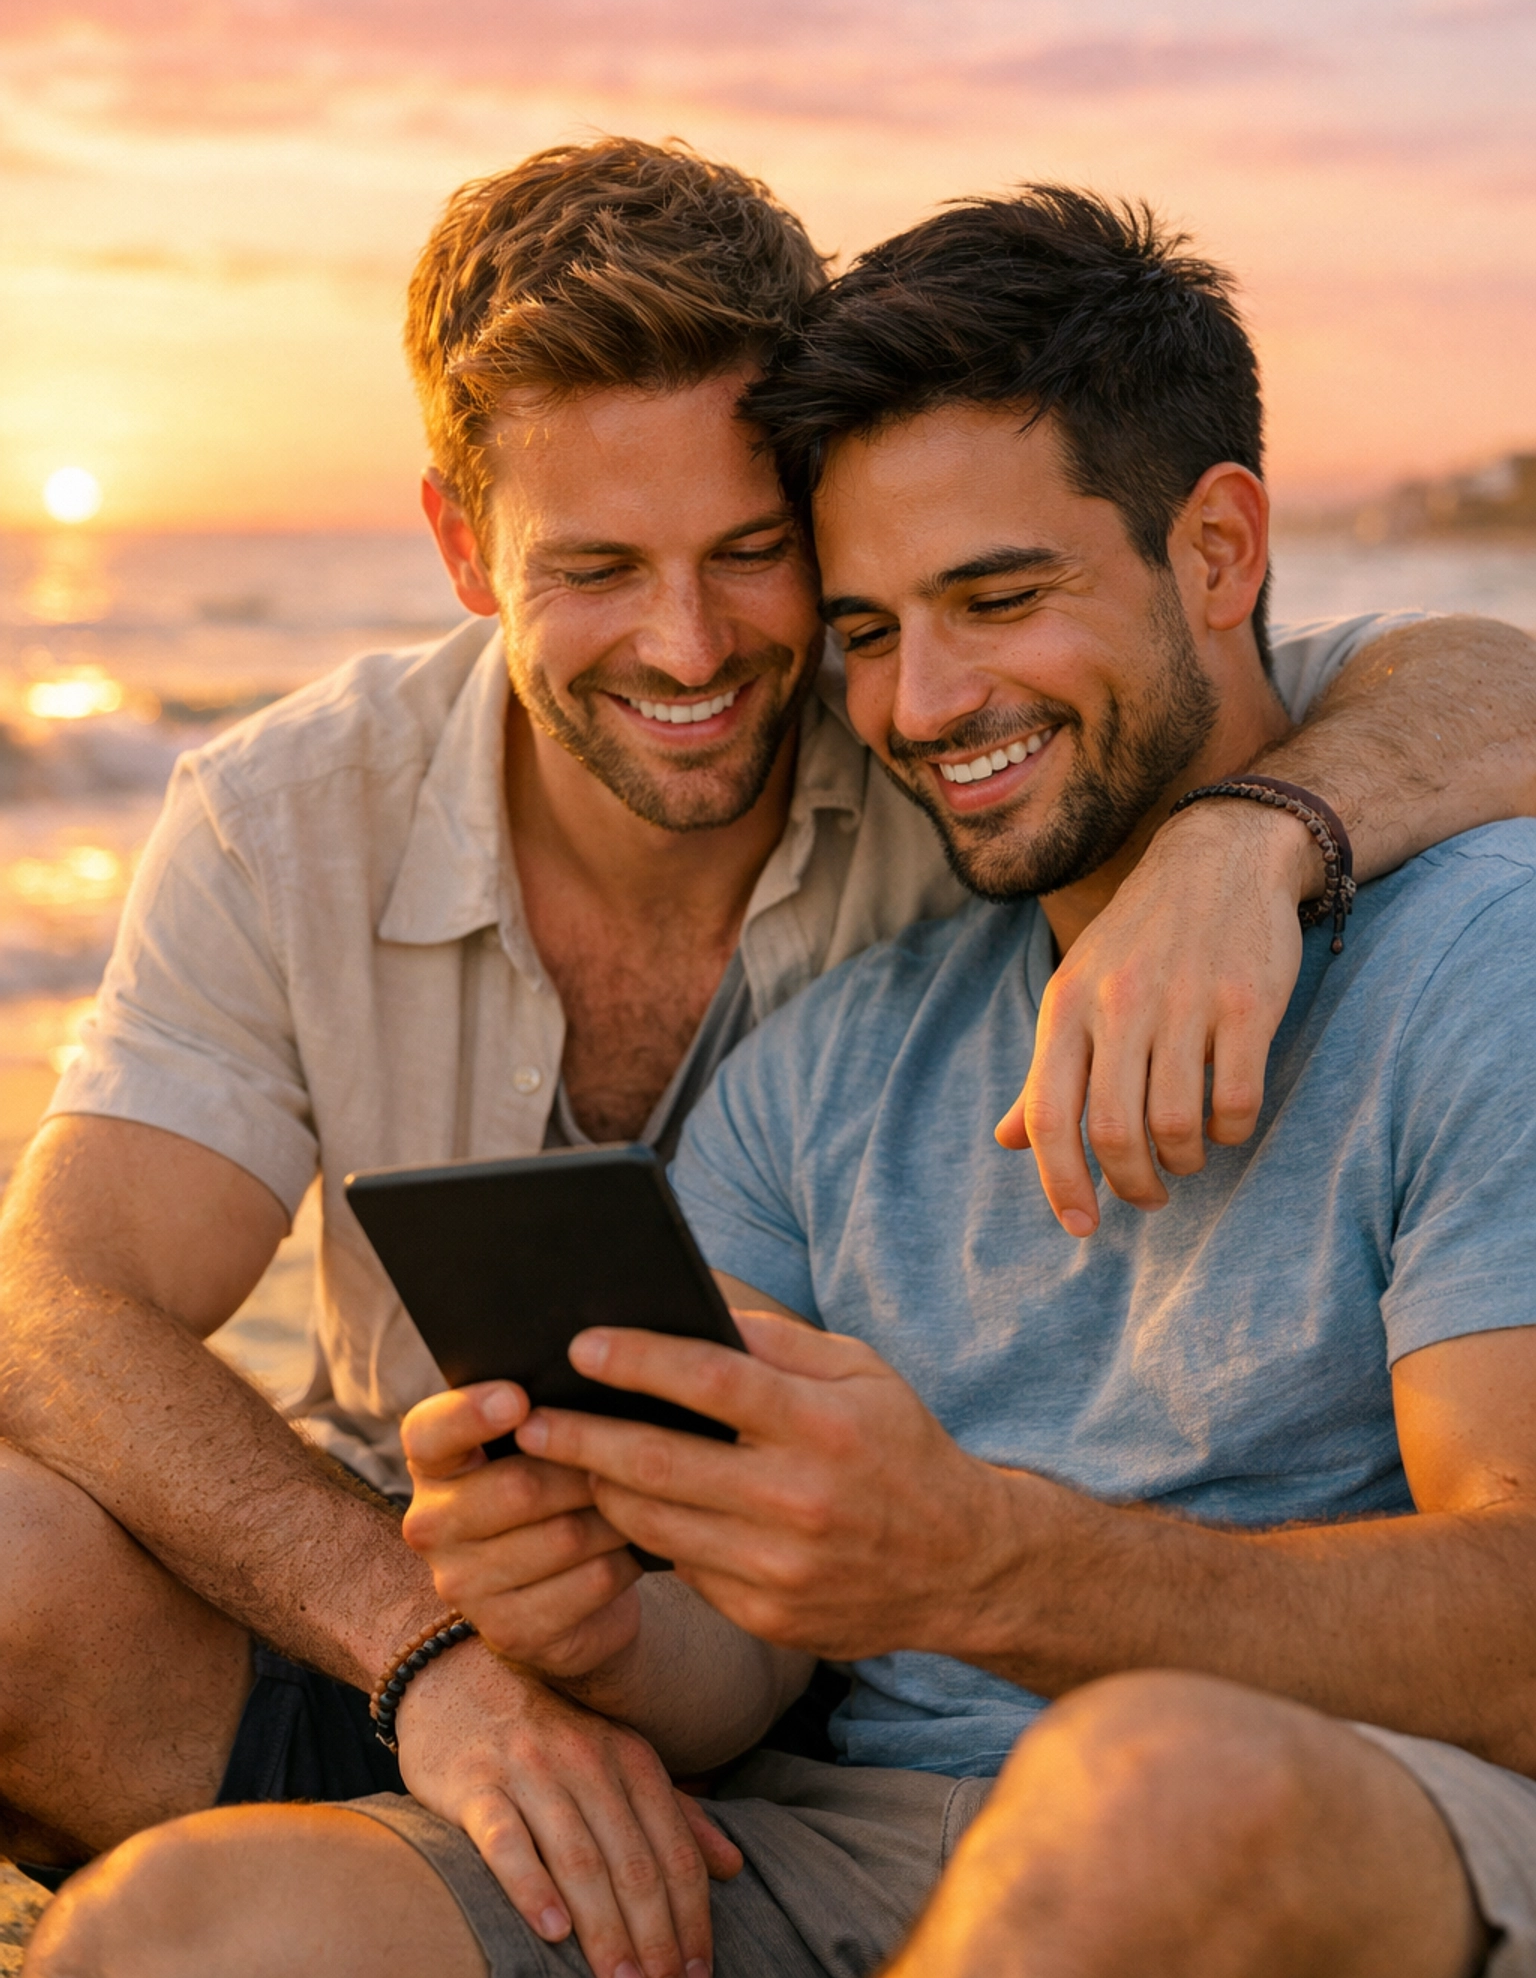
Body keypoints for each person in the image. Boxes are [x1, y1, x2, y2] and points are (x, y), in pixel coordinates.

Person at [13, 166, 1536, 1978]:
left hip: (1277, 1772)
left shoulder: (1425, 917)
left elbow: (1473, 690)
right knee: (172, 1924)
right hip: (701, 1767)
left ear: (1219, 555)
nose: (912, 701)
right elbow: (54, 1304)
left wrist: (1246, 849)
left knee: (1149, 1789)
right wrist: (526, 1615)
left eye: (759, 560)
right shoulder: (803, 1036)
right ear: (458, 543)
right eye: (877, 624)